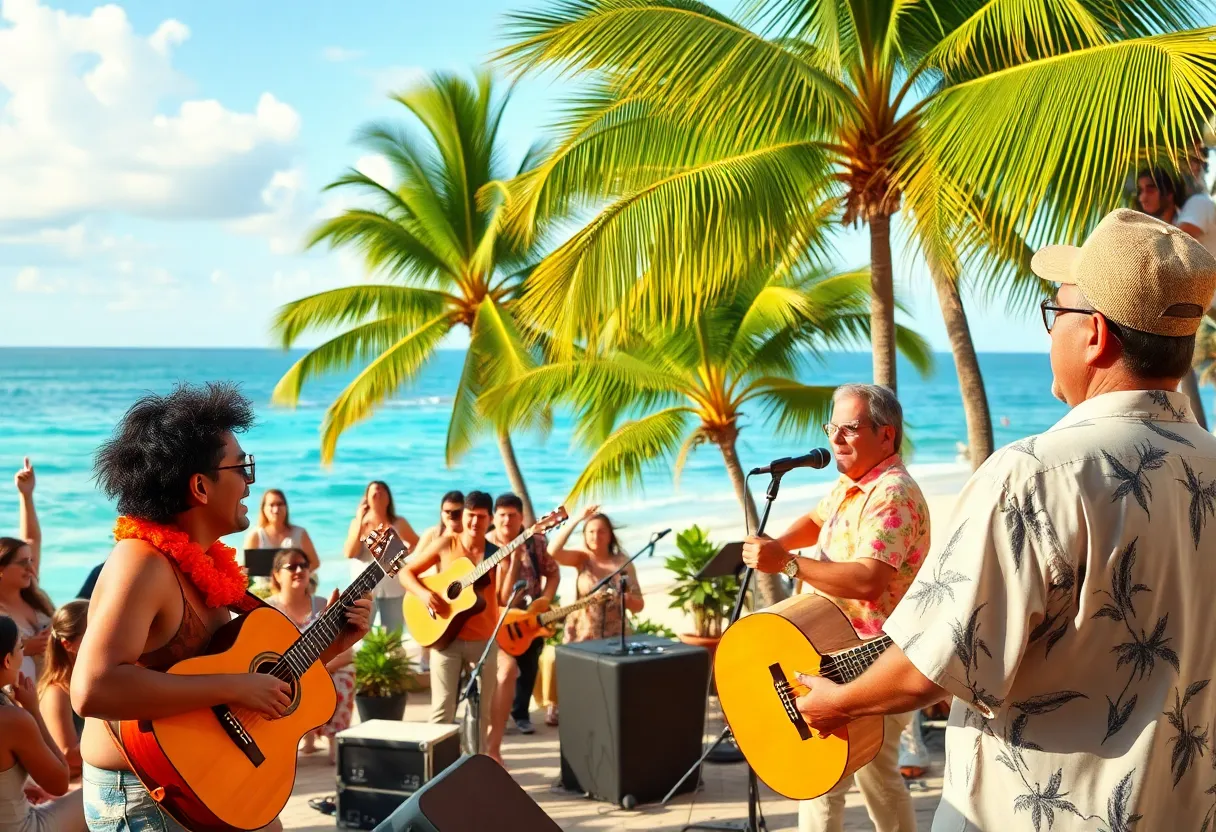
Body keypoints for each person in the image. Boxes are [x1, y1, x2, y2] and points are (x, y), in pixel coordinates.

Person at [794, 209, 1216, 829]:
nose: (1051, 333)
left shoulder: (1035, 474)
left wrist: (835, 704)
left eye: (1056, 313)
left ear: (1095, 335)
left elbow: (933, 665)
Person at [71, 382, 372, 832]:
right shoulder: (142, 563)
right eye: (242, 468)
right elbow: (92, 689)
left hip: (204, 781)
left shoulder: (206, 564)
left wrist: (331, 644)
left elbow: (231, 682)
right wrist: (234, 686)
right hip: (144, 797)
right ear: (200, 486)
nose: (250, 483)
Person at [741, 382, 929, 832]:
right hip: (833, 652)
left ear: (886, 435)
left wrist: (785, 563)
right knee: (852, 779)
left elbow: (868, 580)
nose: (836, 439)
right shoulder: (853, 484)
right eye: (832, 427)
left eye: (850, 428)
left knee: (847, 779)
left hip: (873, 658)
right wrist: (777, 544)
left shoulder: (892, 494)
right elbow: (816, 520)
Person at [400, 491, 501, 762]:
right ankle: (435, 770)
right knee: (442, 711)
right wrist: (424, 595)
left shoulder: (497, 553)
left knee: (482, 712)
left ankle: (474, 766)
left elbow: (501, 597)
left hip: (484, 640)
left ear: (490, 519)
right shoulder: (446, 543)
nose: (475, 523)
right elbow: (406, 573)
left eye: (481, 517)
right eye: (470, 516)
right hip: (446, 638)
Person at [547, 506, 643, 726]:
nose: (595, 536)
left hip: (614, 633)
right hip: (581, 631)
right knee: (579, 686)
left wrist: (622, 598)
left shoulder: (623, 563)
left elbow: (639, 604)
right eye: (590, 531)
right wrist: (577, 519)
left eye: (601, 531)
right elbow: (553, 551)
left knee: (608, 690)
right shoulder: (582, 559)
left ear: (610, 535)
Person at [485, 493, 559, 759]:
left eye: (512, 515)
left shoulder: (535, 542)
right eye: (502, 515)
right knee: (501, 670)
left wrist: (545, 600)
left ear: (521, 518)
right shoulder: (485, 545)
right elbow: (499, 597)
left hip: (529, 616)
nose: (507, 520)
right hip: (496, 617)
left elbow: (553, 571)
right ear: (494, 518)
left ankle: (520, 713)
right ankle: (496, 717)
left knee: (528, 664)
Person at [264, 549, 354, 763]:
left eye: (304, 566)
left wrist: (318, 669)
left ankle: (334, 743)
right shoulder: (268, 608)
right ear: (276, 575)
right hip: (285, 671)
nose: (299, 570)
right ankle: (304, 740)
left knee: (343, 677)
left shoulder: (323, 604)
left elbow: (348, 651)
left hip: (325, 667)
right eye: (291, 566)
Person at [0, 615, 85, 832]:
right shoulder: (11, 719)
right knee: (105, 789)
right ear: (7, 660)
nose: (24, 653)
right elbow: (59, 783)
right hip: (24, 828)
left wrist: (24, 785)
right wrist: (33, 711)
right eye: (21, 647)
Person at [1, 460, 53, 682]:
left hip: (57, 686)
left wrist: (26, 496)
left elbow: (32, 539)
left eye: (31, 561)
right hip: (24, 699)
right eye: (23, 563)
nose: (31, 568)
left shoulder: (32, 592)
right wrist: (25, 648)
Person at [344, 481, 418, 635]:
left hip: (394, 587)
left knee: (393, 637)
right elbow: (350, 553)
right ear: (366, 499)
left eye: (382, 491)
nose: (378, 494)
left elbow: (416, 543)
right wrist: (359, 521)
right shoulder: (358, 524)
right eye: (374, 492)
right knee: (361, 636)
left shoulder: (398, 522)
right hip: (364, 589)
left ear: (388, 498)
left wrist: (399, 555)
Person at [36, 601, 88, 781]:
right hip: (71, 785)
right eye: (92, 634)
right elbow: (67, 755)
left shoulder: (87, 683)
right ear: (67, 644)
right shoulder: (56, 693)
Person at [412, 492, 464, 673]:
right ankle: (425, 660)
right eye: (446, 512)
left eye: (456, 513)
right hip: (435, 595)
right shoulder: (433, 535)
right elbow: (412, 565)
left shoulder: (469, 536)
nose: (450, 516)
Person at [244, 490, 319, 570]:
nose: (276, 510)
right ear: (263, 508)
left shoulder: (299, 533)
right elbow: (247, 569)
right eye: (271, 505)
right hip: (264, 582)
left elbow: (314, 563)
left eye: (280, 504)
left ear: (286, 507)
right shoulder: (256, 535)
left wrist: (299, 575)